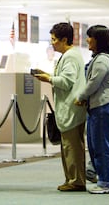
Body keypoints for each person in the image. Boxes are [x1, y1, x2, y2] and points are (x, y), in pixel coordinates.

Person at [33, 22, 87, 192]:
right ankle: (72, 178)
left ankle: (76, 181)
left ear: (65, 39)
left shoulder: (70, 56)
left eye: (54, 40)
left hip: (71, 108)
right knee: (70, 147)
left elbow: (67, 81)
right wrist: (50, 75)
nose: (52, 43)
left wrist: (48, 79)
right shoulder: (71, 55)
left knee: (72, 147)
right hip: (70, 107)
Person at [75, 25, 109, 194]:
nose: (87, 40)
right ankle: (108, 177)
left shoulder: (101, 59)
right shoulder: (99, 58)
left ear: (98, 40)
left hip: (103, 105)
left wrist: (80, 96)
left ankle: (106, 182)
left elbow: (94, 83)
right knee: (96, 145)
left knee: (101, 145)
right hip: (99, 106)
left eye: (90, 37)